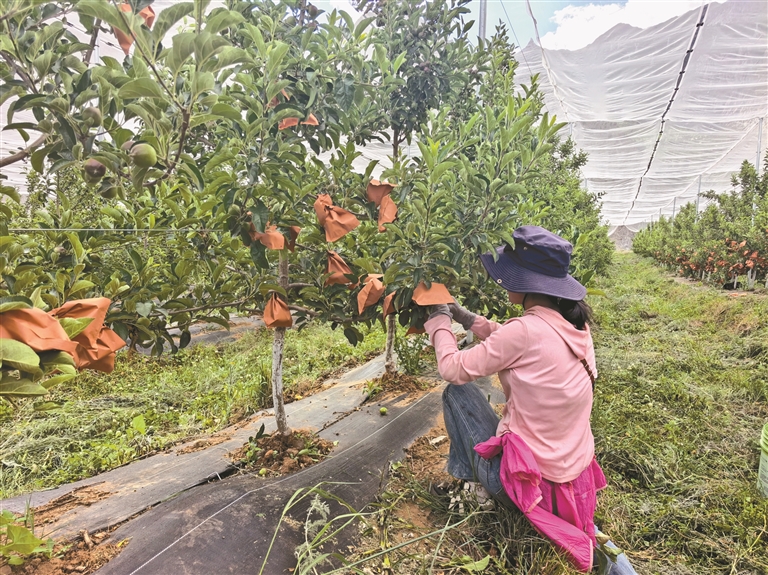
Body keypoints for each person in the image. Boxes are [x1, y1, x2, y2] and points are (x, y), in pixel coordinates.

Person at [421, 225, 636, 574]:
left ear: (525, 282)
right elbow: (515, 340)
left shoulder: (524, 332)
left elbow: (452, 368)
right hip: (570, 481)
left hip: (528, 484)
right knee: (594, 541)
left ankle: (475, 491)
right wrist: (468, 318)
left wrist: (439, 321)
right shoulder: (575, 327)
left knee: (458, 393)